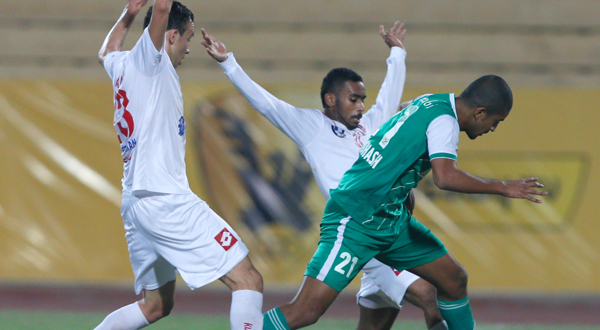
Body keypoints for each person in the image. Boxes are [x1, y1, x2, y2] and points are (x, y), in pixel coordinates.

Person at [202, 23, 447, 330]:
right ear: (331, 100)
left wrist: (397, 53)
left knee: (374, 323)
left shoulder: (371, 124)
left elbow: (390, 92)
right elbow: (265, 103)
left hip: (384, 232)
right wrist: (229, 63)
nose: (361, 106)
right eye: (353, 99)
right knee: (429, 296)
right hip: (358, 232)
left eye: (362, 99)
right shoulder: (311, 127)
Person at [95, 1, 264, 329]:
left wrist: (128, 13)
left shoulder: (122, 65)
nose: (188, 48)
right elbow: (161, 11)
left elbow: (106, 50)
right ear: (170, 36)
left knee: (155, 305)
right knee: (248, 280)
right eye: (186, 37)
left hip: (135, 202)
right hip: (165, 201)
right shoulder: (150, 61)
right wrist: (143, 16)